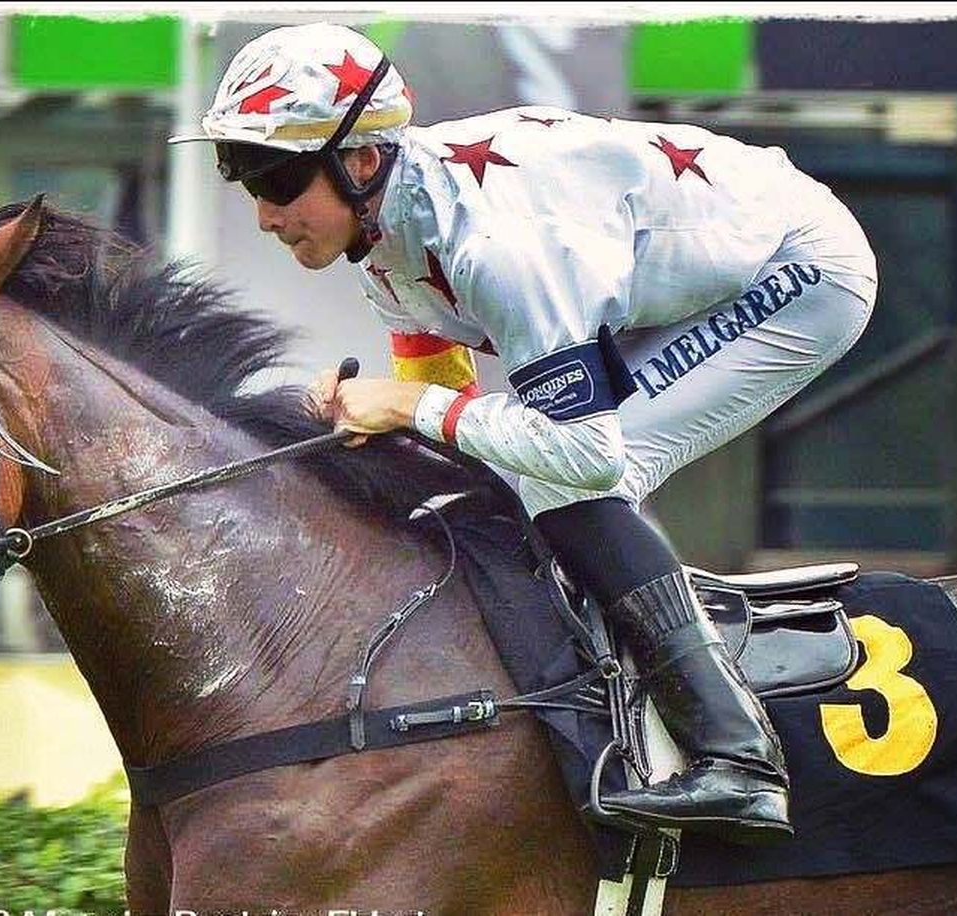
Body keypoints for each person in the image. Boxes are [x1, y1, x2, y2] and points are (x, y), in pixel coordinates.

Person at [170, 22, 877, 845]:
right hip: (705, 271)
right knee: (517, 469)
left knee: (568, 478)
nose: (262, 214)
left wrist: (402, 407)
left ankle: (739, 756)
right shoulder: (386, 234)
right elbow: (449, 415)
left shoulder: (494, 247)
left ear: (361, 159)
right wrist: (352, 420)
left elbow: (583, 451)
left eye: (278, 179)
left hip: (797, 270)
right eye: (240, 177)